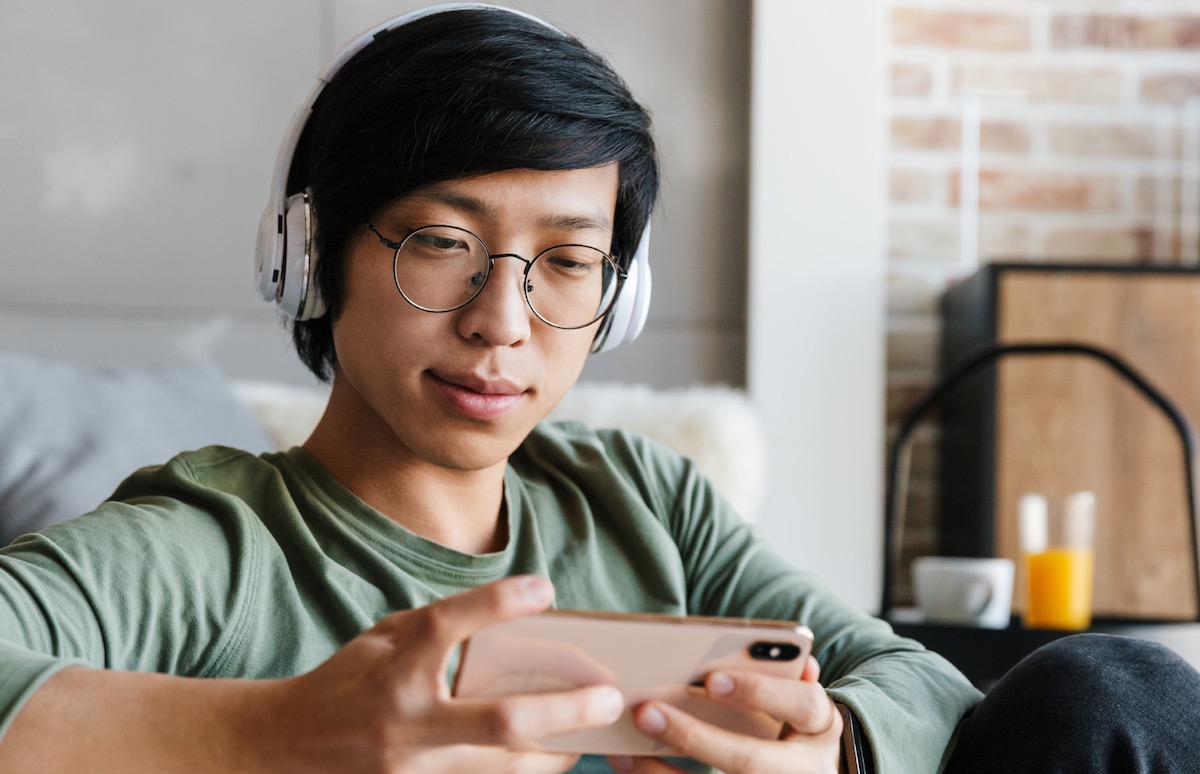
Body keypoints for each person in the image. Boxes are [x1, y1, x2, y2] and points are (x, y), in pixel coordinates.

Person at [0, 5, 1196, 773]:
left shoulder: (645, 499)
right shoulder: (210, 547)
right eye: (438, 245)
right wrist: (274, 735)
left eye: (567, 263)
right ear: (316, 261)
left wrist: (837, 748)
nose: (501, 322)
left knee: (1114, 686)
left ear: (613, 299)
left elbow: (915, 678)